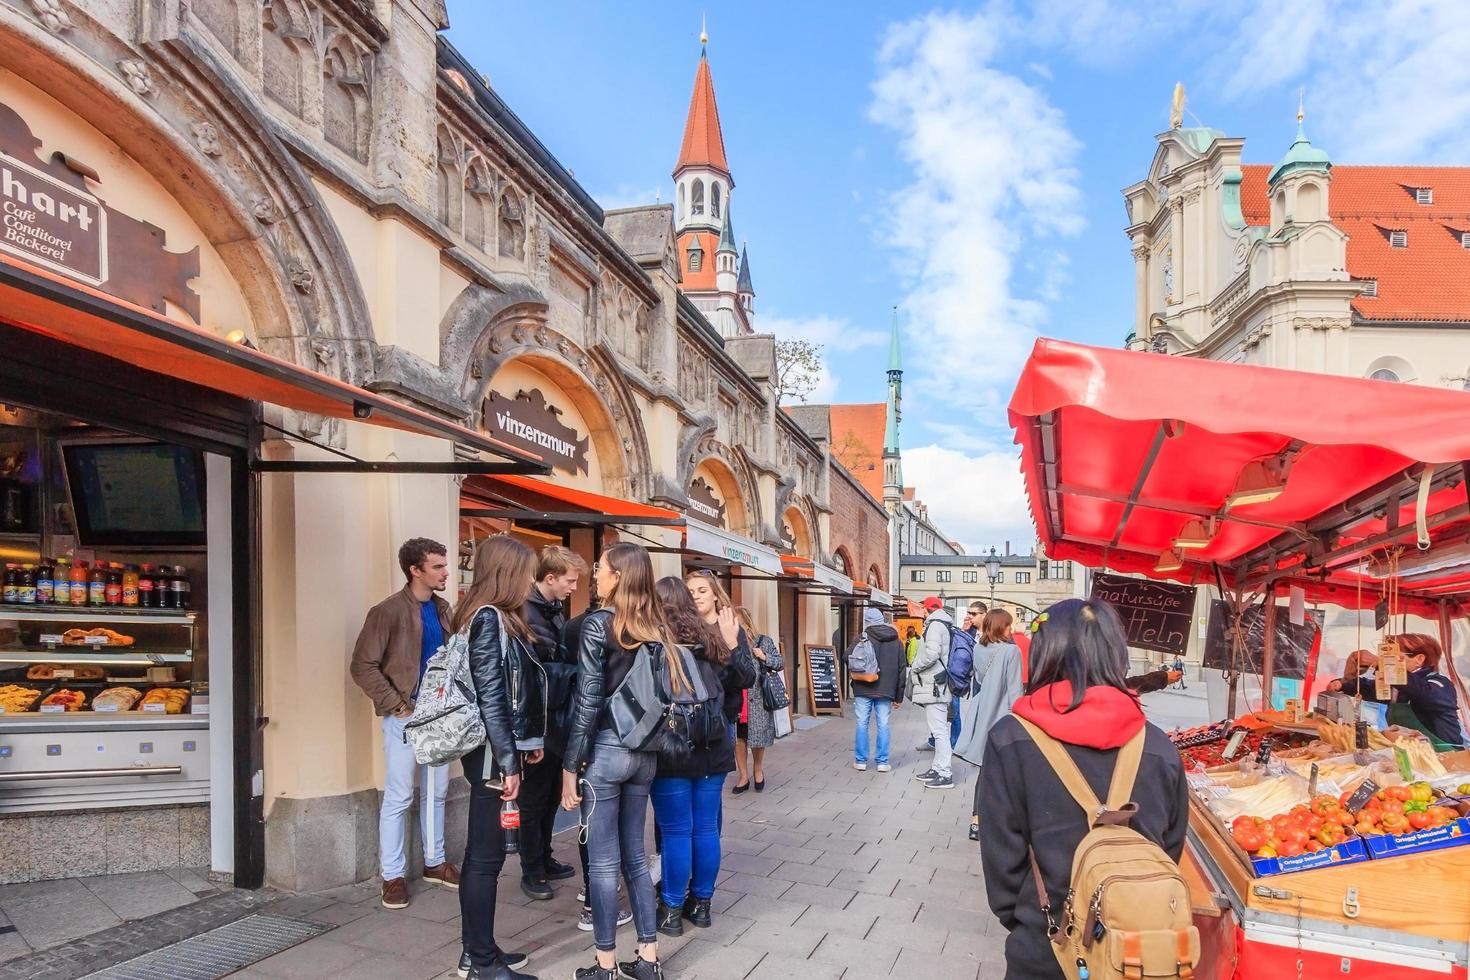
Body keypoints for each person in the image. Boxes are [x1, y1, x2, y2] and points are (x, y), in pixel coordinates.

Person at [979, 598, 1189, 980]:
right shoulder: (1160, 748)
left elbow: (1002, 866)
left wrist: (1037, 918)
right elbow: (1170, 846)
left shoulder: (1010, 740)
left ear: (1045, 653)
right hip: (1138, 955)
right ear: (1116, 654)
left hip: (1046, 950)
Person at [561, 543, 675, 980]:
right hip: (645, 752)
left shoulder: (597, 626)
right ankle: (649, 959)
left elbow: (588, 701)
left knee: (604, 863)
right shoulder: (656, 626)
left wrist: (571, 766)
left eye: (600, 568)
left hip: (606, 752)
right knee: (635, 856)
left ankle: (605, 965)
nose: (595, 574)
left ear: (618, 577)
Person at [454, 535, 546, 980]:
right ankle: (482, 964)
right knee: (486, 860)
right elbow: (491, 696)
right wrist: (509, 761)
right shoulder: (489, 618)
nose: (531, 579)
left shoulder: (488, 616)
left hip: (496, 749)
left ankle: (479, 951)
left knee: (482, 857)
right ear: (507, 573)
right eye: (526, 570)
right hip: (492, 755)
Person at [349, 537, 459, 910]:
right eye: (438, 567)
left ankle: (434, 863)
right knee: (399, 795)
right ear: (415, 570)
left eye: (445, 565)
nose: (446, 572)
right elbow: (362, 665)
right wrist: (396, 705)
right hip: (406, 716)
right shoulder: (388, 611)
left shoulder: (444, 609)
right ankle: (392, 875)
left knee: (437, 792)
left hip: (440, 716)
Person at [649, 577, 756, 936]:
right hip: (713, 743)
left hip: (672, 746)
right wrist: (731, 644)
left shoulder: (655, 643)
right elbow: (742, 681)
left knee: (677, 831)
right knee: (706, 828)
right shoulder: (714, 638)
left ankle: (671, 910)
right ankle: (703, 905)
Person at [516, 546, 586, 902]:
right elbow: (537, 672)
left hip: (554, 717)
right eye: (570, 581)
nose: (574, 587)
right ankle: (531, 869)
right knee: (534, 799)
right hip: (537, 721)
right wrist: (578, 673)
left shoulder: (552, 610)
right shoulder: (528, 613)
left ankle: (544, 857)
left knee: (547, 799)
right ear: (551, 578)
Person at [683, 572, 762, 791]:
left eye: (702, 591)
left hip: (719, 718)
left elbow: (748, 677)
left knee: (709, 791)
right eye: (690, 592)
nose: (696, 597)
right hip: (685, 720)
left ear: (715, 595)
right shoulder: (683, 628)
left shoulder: (729, 626)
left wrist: (731, 645)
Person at [955, 609, 1024, 841]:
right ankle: (1002, 823)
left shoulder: (979, 648)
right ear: (1000, 626)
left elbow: (981, 678)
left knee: (986, 770)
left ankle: (976, 821)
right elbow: (1014, 689)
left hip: (982, 707)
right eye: (1008, 625)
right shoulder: (1011, 651)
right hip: (1002, 713)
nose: (1010, 629)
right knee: (1006, 771)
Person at [1329, 634, 1466, 746]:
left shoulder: (1440, 683)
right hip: (1410, 753)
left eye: (1393, 655)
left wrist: (1379, 664)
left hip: (1444, 755)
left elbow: (1420, 691)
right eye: (1385, 655)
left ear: (1419, 659)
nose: (1386, 659)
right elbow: (1369, 687)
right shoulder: (1397, 685)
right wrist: (1342, 684)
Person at [850, 606, 905, 772]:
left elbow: (847, 657)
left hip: (863, 687)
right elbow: (902, 669)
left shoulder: (861, 638)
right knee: (883, 724)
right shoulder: (896, 640)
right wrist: (899, 696)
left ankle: (861, 760)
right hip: (886, 690)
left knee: (861, 724)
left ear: (867, 622)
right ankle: (882, 762)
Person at [910, 596, 957, 789]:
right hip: (936, 683)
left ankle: (945, 773)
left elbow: (932, 653)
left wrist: (915, 666)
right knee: (938, 729)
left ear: (926, 608)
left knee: (939, 731)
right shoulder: (941, 623)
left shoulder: (936, 625)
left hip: (935, 684)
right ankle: (937, 768)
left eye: (922, 607)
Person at [921, 601, 980, 753]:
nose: (969, 617)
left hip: (950, 676)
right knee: (941, 712)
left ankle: (954, 744)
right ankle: (937, 740)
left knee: (953, 712)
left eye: (973, 614)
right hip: (948, 675)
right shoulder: (950, 627)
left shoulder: (941, 626)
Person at [734, 606, 782, 791]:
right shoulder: (730, 643)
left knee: (757, 738)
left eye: (737, 622)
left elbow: (780, 662)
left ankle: (758, 770)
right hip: (737, 698)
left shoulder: (763, 641)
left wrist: (764, 656)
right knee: (739, 738)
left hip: (758, 698)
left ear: (746, 623)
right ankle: (743, 776)